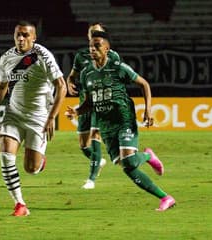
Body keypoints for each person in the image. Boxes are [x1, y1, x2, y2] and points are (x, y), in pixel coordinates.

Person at [65, 31, 176, 211]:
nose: (93, 49)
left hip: (124, 119)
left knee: (130, 162)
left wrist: (148, 110)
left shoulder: (117, 67)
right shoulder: (86, 73)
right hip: (105, 125)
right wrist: (77, 111)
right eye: (91, 46)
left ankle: (148, 157)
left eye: (97, 46)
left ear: (107, 48)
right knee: (125, 166)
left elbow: (144, 84)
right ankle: (165, 196)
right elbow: (90, 102)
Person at [0, 20, 67, 217]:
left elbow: (61, 86)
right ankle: (20, 204)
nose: (21, 39)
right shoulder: (6, 58)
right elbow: (2, 86)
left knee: (31, 168)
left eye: (25, 35)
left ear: (34, 37)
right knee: (5, 153)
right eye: (18, 35)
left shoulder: (42, 55)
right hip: (14, 114)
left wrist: (51, 118)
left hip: (39, 118)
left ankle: (39, 163)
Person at [66, 22, 121, 189]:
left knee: (95, 136)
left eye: (98, 32)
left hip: (101, 103)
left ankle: (91, 180)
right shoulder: (81, 55)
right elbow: (72, 76)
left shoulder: (113, 56)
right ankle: (99, 161)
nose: (94, 34)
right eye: (92, 32)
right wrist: (69, 84)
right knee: (83, 145)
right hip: (84, 103)